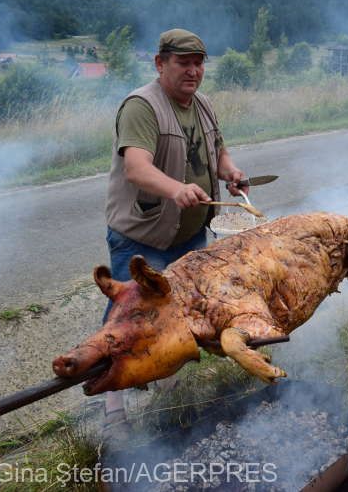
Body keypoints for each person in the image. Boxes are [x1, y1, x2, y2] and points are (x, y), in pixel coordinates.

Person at [101, 28, 248, 438]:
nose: (194, 71)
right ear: (160, 63)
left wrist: (231, 172)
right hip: (141, 238)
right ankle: (112, 408)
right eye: (183, 62)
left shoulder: (203, 105)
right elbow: (136, 167)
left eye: (199, 63)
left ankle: (169, 394)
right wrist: (176, 188)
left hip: (188, 237)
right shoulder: (141, 106)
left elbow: (217, 152)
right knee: (127, 318)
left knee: (180, 314)